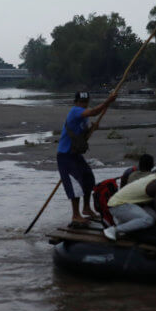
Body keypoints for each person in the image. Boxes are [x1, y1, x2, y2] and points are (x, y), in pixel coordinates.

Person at [57, 89, 118, 229]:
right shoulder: (75, 111)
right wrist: (108, 101)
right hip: (65, 155)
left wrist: (92, 129)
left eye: (85, 102)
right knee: (75, 185)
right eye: (81, 102)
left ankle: (86, 208)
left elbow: (82, 135)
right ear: (76, 102)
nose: (83, 104)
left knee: (88, 179)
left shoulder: (83, 116)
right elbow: (93, 112)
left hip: (76, 154)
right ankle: (75, 215)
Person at [104, 166, 156, 240]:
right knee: (148, 220)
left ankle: (125, 226)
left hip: (129, 203)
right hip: (118, 205)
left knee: (154, 217)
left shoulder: (151, 177)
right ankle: (114, 230)